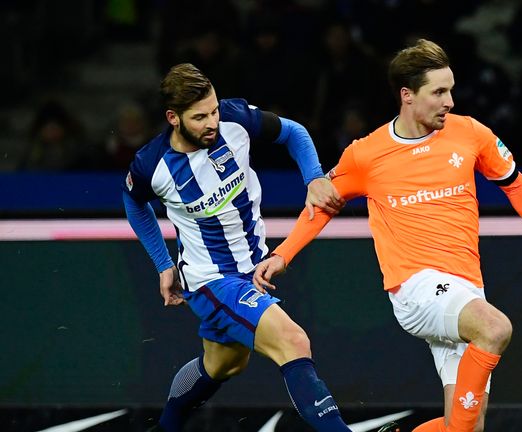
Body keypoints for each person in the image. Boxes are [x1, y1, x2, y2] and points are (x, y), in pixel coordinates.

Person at [254, 39, 522, 432]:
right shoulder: (367, 154)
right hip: (417, 289)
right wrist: (282, 255)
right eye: (438, 92)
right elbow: (321, 206)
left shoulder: (470, 134)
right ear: (407, 95)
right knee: (495, 329)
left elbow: (515, 184)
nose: (450, 101)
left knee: (465, 428)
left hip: (467, 289)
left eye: (451, 89)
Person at [121, 63, 367, 432]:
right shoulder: (151, 165)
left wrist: (314, 177)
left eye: (214, 110)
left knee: (223, 364)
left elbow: (294, 133)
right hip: (210, 280)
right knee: (293, 341)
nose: (212, 123)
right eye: (200, 116)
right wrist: (162, 263)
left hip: (252, 267)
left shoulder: (235, 119)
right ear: (173, 118)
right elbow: (133, 202)